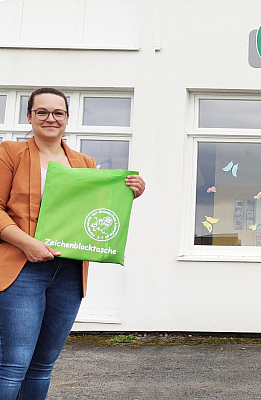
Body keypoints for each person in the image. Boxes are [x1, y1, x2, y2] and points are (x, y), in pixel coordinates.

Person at [0, 87, 145, 400]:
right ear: (29, 116)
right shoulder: (9, 153)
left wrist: (129, 191)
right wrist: (27, 243)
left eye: (58, 113)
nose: (50, 118)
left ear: (67, 119)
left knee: (42, 365)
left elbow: (93, 209)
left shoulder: (84, 162)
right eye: (42, 112)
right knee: (13, 364)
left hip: (69, 273)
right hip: (23, 269)